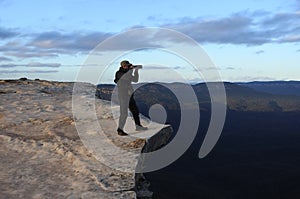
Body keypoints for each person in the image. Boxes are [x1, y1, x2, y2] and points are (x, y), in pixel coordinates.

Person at [114, 60, 148, 136]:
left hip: (129, 95)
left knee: (135, 111)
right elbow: (126, 77)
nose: (127, 67)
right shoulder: (119, 73)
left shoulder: (128, 72)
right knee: (124, 114)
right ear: (122, 66)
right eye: (125, 66)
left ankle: (138, 126)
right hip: (123, 96)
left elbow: (135, 80)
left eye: (127, 65)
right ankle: (120, 130)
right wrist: (131, 70)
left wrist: (136, 71)